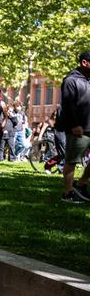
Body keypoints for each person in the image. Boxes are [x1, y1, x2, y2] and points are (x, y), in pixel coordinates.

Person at [59, 51, 90, 203]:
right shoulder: (71, 80)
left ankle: (81, 184)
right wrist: (74, 125)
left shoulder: (88, 80)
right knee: (72, 160)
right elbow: (67, 105)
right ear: (85, 62)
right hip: (79, 129)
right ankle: (68, 193)